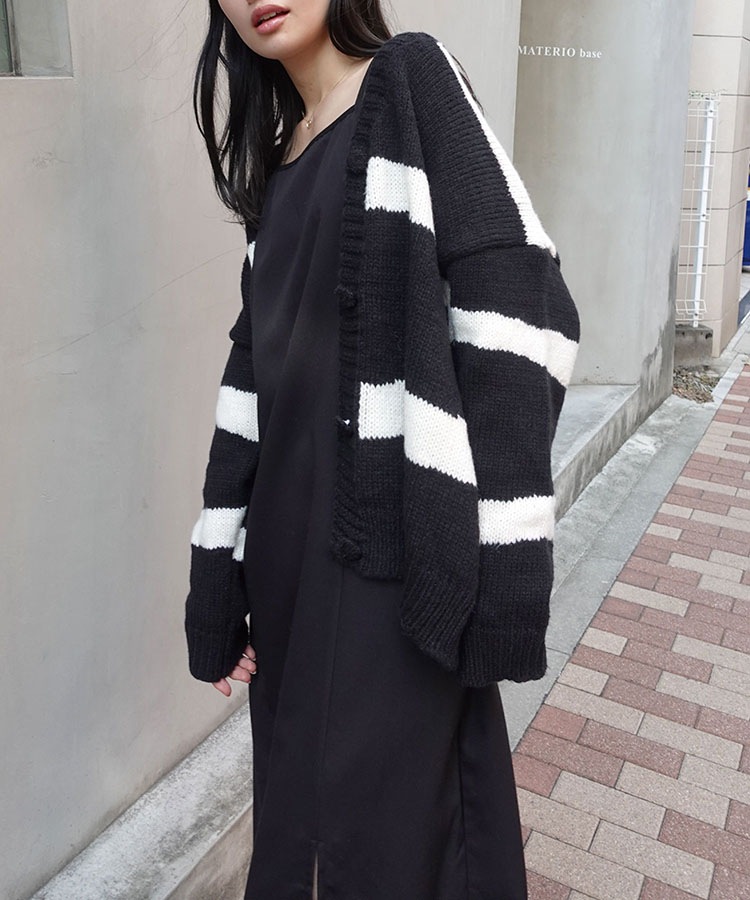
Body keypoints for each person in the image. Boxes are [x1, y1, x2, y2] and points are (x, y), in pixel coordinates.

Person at [184, 1, 581, 897]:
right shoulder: (282, 158)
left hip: (391, 564)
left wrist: (505, 565)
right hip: (287, 565)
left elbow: (521, 302)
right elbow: (252, 380)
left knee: (392, 847)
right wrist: (218, 575)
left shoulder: (409, 81)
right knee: (302, 830)